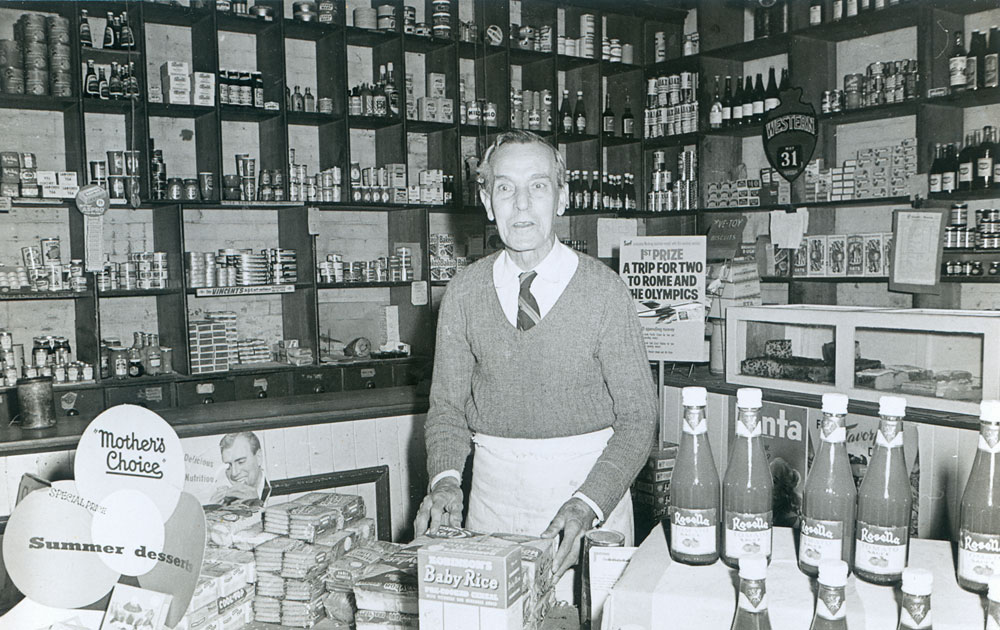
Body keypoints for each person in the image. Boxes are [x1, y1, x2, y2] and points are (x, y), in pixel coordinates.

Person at [414, 130, 658, 598]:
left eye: (538, 186)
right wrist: (445, 482)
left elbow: (639, 419)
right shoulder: (463, 293)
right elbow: (446, 407)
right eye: (505, 187)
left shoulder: (604, 291)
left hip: (587, 502)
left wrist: (588, 504)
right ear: (487, 202)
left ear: (562, 197)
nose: (521, 204)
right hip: (491, 503)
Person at [211, 431, 271, 505]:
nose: (234, 473)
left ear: (258, 458)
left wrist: (255, 503)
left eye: (241, 462)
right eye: (229, 465)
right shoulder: (227, 500)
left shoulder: (274, 494)